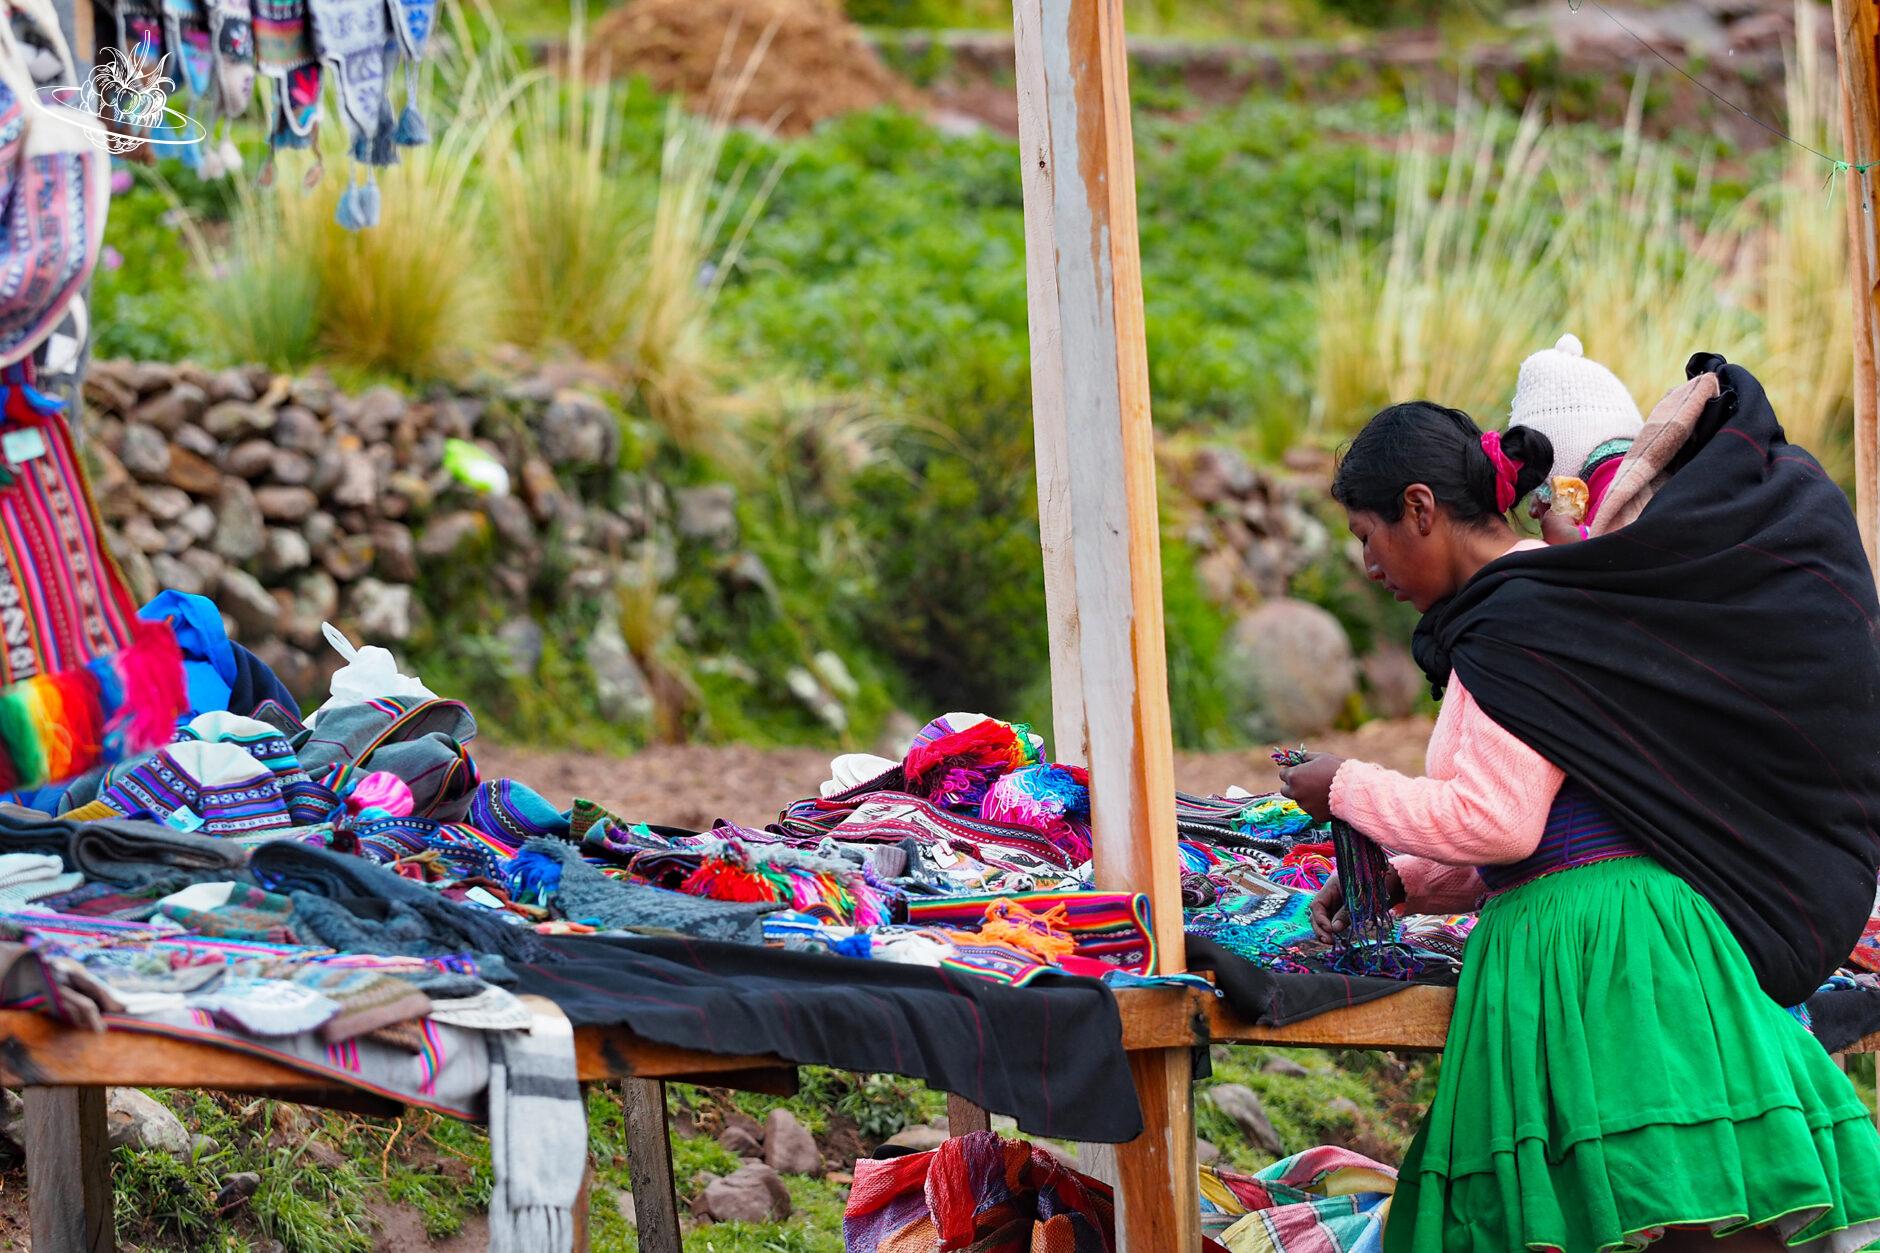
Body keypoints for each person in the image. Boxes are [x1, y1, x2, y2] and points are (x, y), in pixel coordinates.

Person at [1278, 363, 1880, 1251]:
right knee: (1695, 1209)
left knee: (1665, 1208)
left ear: (1420, 507)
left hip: (1598, 953)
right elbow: (1547, 813)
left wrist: (1347, 788)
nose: (1370, 565)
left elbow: (1503, 822)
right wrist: (1402, 884)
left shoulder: (1512, 619)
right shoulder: (1544, 596)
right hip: (1633, 934)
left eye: (1369, 536)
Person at [1506, 333, 1643, 543]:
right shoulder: (1629, 472)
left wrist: (1573, 540)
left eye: (1541, 490)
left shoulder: (1618, 487)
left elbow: (1632, 551)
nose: (1533, 510)